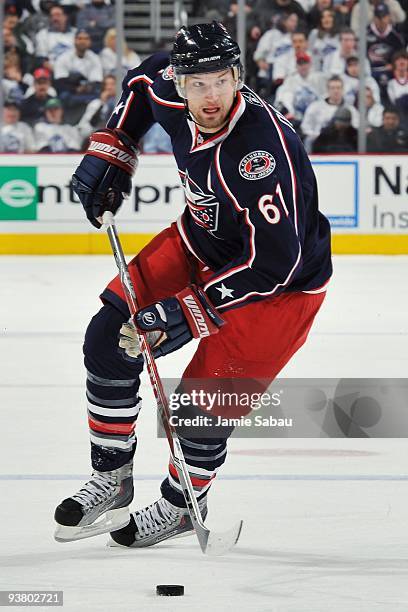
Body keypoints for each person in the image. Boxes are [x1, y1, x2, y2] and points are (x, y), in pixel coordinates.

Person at [53, 22, 332, 548]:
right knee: (106, 336)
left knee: (202, 404)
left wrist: (188, 311)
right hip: (199, 240)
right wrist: (113, 147)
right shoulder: (169, 85)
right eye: (197, 83)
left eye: (221, 80)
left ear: (237, 77)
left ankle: (185, 504)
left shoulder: (259, 154)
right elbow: (140, 82)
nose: (210, 96)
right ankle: (111, 477)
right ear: (181, 83)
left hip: (280, 289)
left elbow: (278, 261)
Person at [301, 74, 359, 151]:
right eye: (332, 88)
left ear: (342, 89)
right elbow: (305, 127)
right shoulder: (315, 107)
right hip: (321, 142)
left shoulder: (350, 109)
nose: (336, 91)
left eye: (338, 88)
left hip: (343, 142)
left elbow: (356, 127)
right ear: (328, 90)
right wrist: (315, 135)